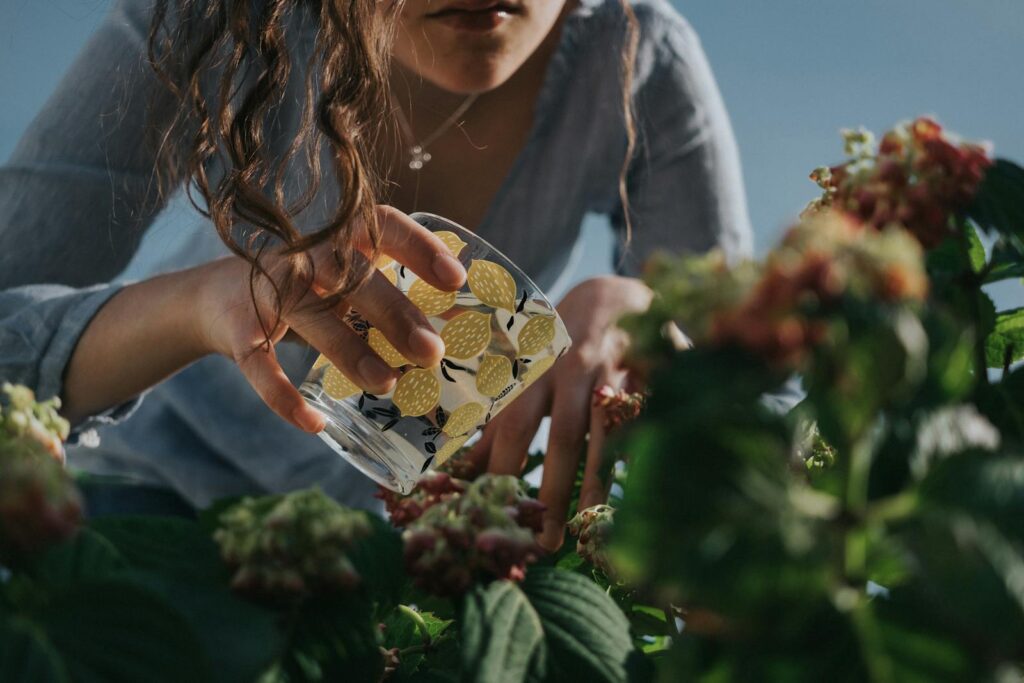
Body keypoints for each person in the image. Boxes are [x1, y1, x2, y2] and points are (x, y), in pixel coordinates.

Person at [0, 0, 751, 549]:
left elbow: (756, 402)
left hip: (416, 550)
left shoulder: (636, 54)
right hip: (144, 500)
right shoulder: (218, 18)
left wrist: (644, 310)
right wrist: (199, 305)